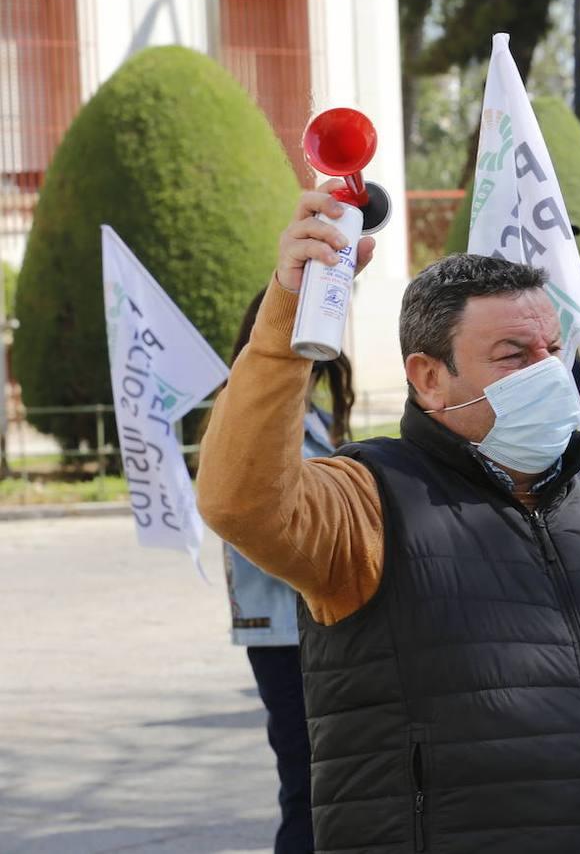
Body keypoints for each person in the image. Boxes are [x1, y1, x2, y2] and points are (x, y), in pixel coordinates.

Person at [198, 182, 580, 853]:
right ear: (427, 376)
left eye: (551, 351)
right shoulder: (367, 501)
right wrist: (287, 318)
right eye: (514, 355)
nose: (546, 372)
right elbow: (239, 500)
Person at [219, 287, 353, 854]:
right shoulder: (252, 419)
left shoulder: (314, 416)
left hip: (317, 623)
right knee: (308, 788)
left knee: (333, 784)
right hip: (283, 629)